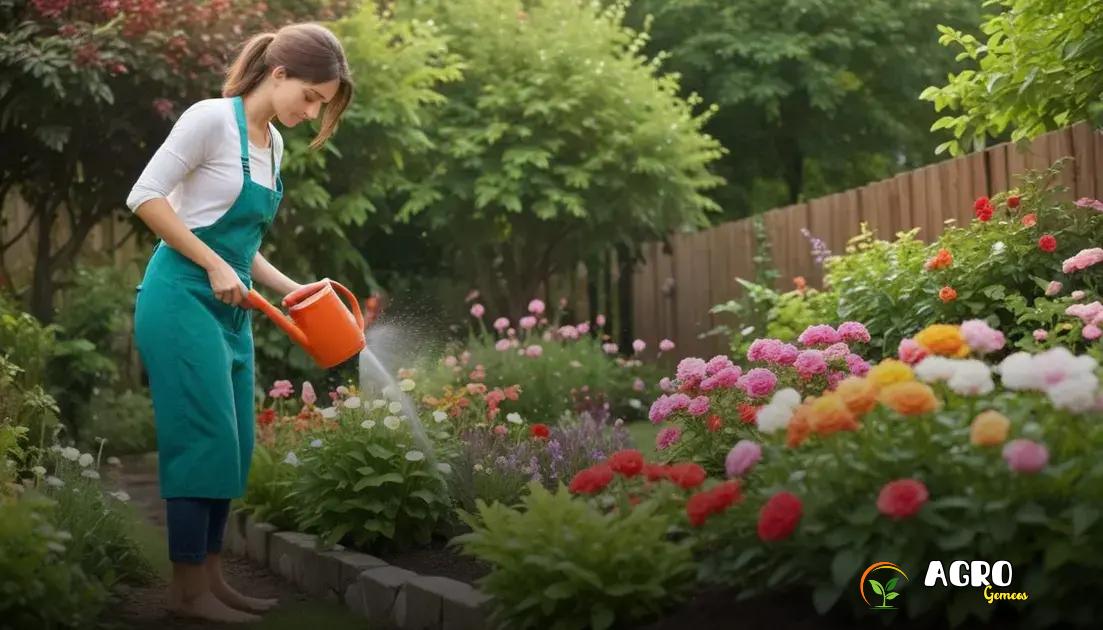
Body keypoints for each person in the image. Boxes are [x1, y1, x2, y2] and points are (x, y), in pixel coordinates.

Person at [127, 23, 352, 623]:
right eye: (310, 97)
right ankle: (187, 591)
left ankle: (212, 580)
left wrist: (291, 287)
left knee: (232, 444)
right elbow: (145, 197)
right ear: (278, 75)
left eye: (321, 105)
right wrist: (211, 267)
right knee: (200, 437)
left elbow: (239, 244)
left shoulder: (272, 145)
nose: (312, 111)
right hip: (179, 298)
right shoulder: (209, 119)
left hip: (233, 306)